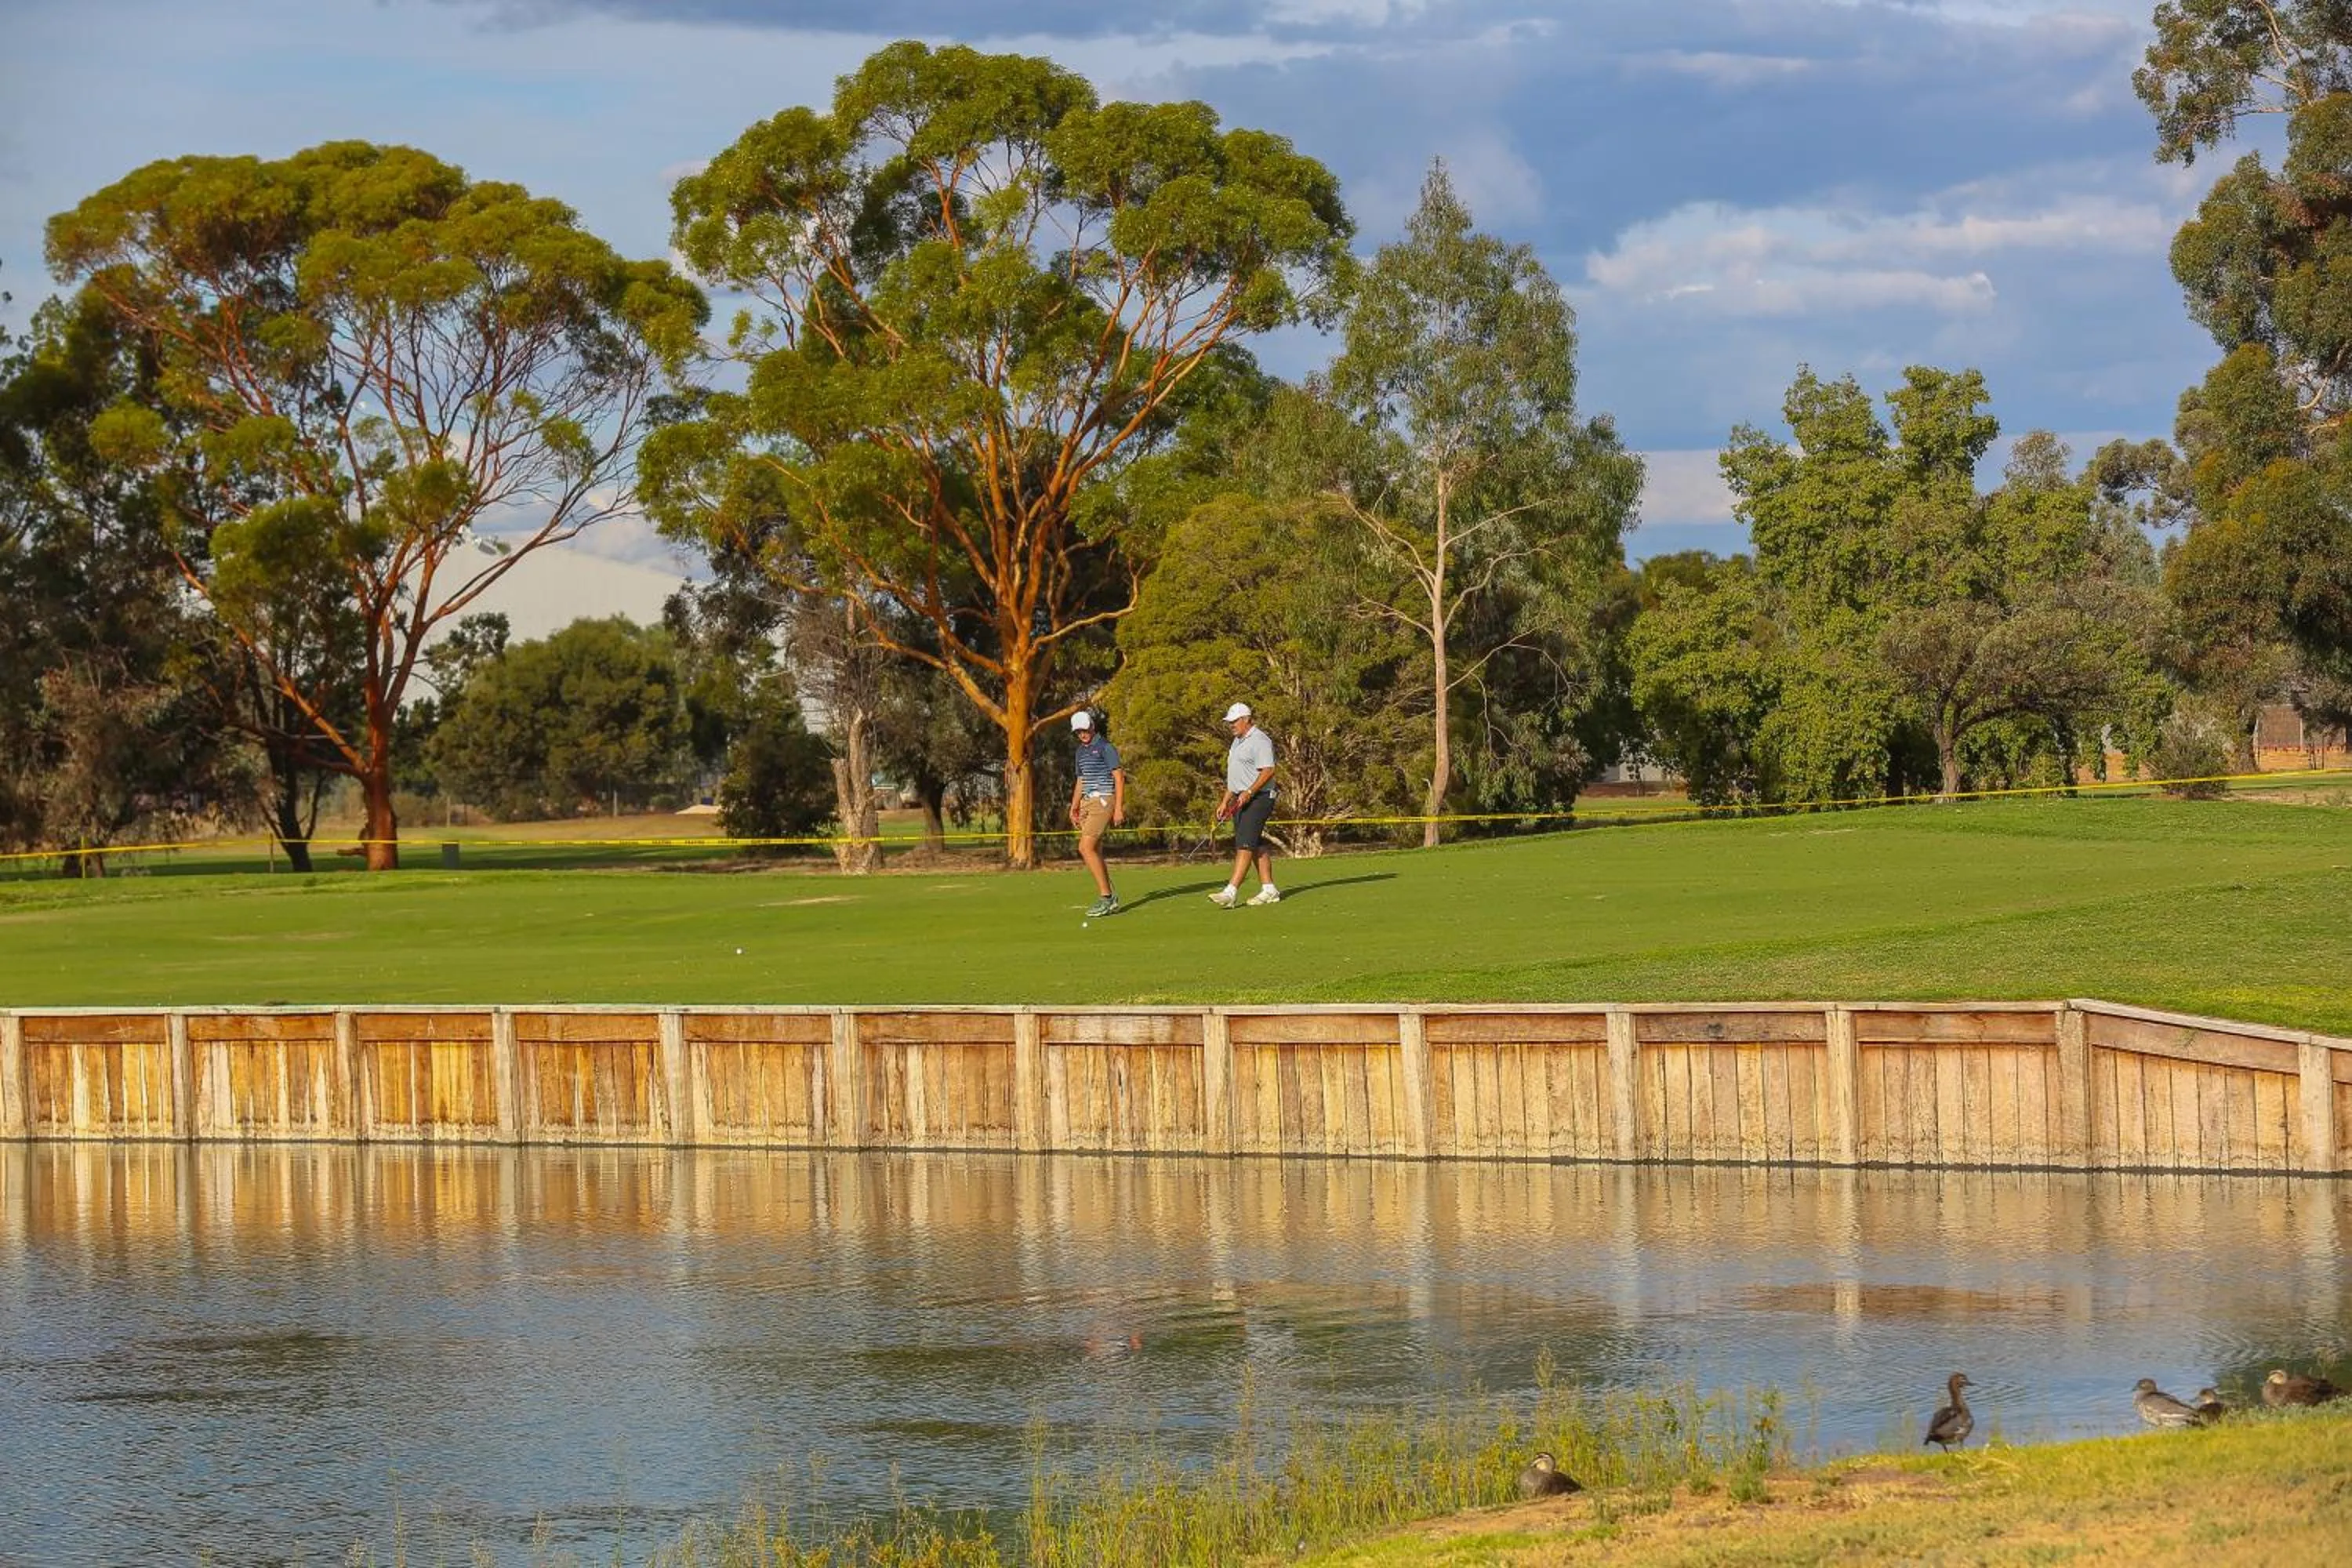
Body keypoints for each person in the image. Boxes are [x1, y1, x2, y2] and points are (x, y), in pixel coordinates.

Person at [1210, 702, 1279, 908]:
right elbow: (1235, 777)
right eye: (1229, 722)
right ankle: (1269, 889)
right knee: (1255, 842)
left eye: (1235, 721)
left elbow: (1268, 770)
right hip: (1242, 797)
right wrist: (1225, 801)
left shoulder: (1260, 740)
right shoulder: (1237, 742)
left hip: (1260, 797)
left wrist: (1250, 792)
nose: (1231, 725)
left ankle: (1231, 892)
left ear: (1246, 720)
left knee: (1245, 843)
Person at [1068, 710, 1125, 917]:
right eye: (1078, 732)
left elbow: (1119, 777)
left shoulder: (1105, 748)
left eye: (1085, 729)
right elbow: (1081, 780)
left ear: (1092, 726)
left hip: (1103, 800)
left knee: (1085, 847)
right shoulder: (1080, 752)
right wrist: (1074, 806)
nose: (1082, 734)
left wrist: (1118, 808)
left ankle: (1106, 897)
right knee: (1095, 849)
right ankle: (1110, 898)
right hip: (1087, 802)